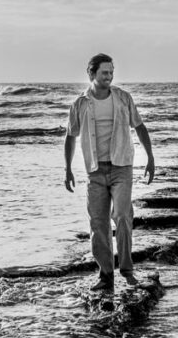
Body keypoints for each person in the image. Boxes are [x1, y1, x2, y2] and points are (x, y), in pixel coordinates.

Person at [63, 53, 155, 292]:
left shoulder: (124, 98)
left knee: (123, 215)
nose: (109, 76)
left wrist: (150, 157)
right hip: (95, 170)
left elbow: (140, 126)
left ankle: (126, 269)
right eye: (104, 72)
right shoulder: (80, 104)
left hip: (121, 166)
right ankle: (106, 275)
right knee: (98, 223)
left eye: (111, 72)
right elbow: (71, 136)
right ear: (91, 74)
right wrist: (68, 169)